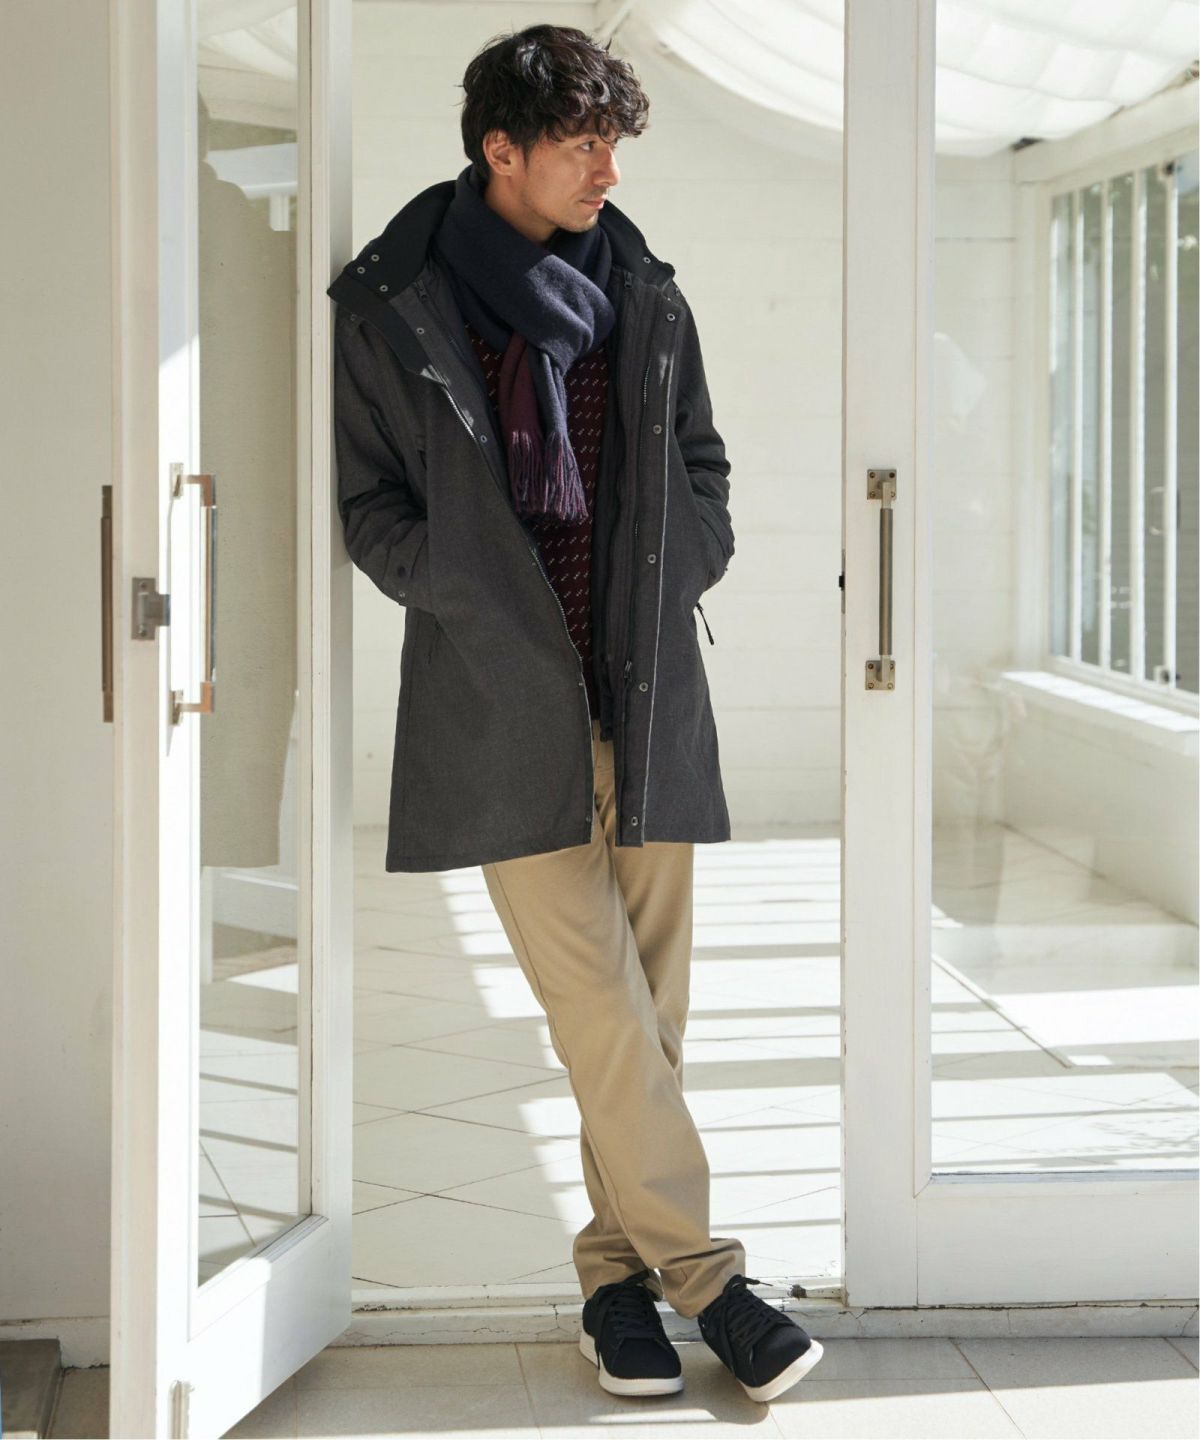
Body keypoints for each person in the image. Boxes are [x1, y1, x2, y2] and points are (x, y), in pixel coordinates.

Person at [327, 21, 823, 1405]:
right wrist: (472, 591)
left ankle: (614, 1285)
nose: (610, 169)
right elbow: (370, 508)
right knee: (602, 1009)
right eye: (583, 144)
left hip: (646, 691)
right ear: (501, 149)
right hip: (504, 706)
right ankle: (712, 1283)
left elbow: (703, 467)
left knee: (651, 1016)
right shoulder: (394, 307)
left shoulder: (645, 293)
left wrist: (685, 564)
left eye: (616, 143)